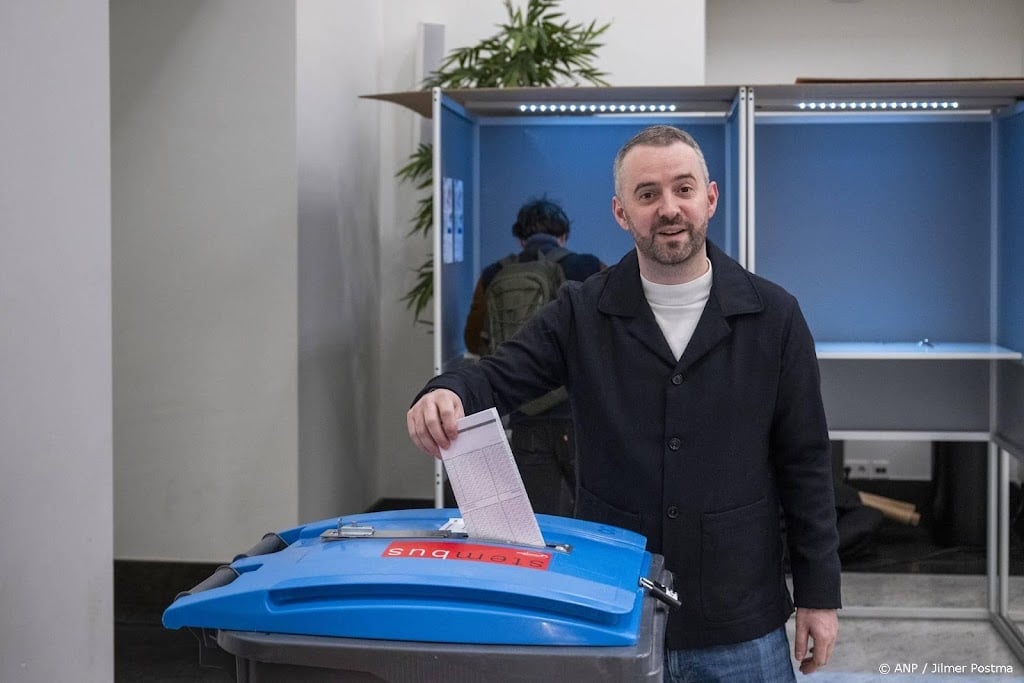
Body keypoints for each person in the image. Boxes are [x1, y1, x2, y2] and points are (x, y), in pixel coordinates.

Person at [407, 125, 841, 681]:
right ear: (621, 212)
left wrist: (819, 597)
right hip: (613, 608)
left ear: (709, 197)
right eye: (647, 194)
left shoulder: (774, 316)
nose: (669, 208)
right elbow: (498, 375)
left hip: (739, 616)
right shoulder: (581, 312)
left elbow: (805, 462)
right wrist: (445, 391)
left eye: (684, 189)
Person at [462, 198, 604, 516]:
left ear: (520, 238)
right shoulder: (589, 267)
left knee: (542, 520)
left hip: (523, 414)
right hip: (578, 414)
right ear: (564, 236)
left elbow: (473, 338)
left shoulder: (493, 274)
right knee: (594, 518)